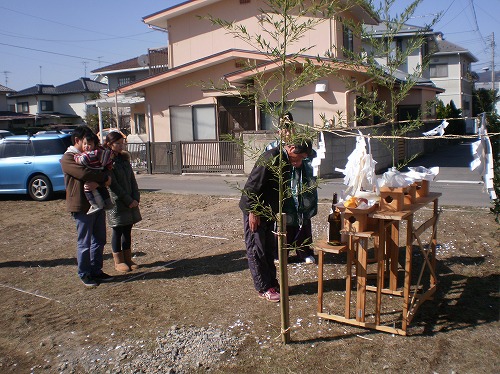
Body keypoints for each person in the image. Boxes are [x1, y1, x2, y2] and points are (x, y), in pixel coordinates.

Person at [239, 139, 313, 302]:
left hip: (268, 211)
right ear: (291, 148)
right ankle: (264, 288)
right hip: (256, 210)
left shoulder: (286, 161)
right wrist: (253, 211)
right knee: (256, 248)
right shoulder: (271, 158)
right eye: (299, 156)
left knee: (269, 249)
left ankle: (272, 282)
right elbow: (252, 185)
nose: (299, 161)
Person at [60, 125, 113, 288]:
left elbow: (106, 170)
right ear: (77, 140)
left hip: (97, 203)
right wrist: (103, 177)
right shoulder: (68, 158)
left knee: (99, 238)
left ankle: (96, 270)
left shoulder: (89, 156)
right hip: (81, 205)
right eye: (86, 142)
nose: (90, 146)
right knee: (85, 241)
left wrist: (102, 179)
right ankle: (84, 273)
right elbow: (84, 173)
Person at [266, 112, 318, 264]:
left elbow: (313, 160)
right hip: (284, 192)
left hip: (301, 191)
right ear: (278, 129)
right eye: (284, 128)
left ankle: (305, 251)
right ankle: (280, 254)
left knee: (303, 221)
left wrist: (303, 163)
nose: (287, 131)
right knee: (283, 222)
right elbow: (267, 169)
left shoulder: (302, 144)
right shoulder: (273, 147)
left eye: (289, 127)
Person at [104, 131, 142, 273]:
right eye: (118, 143)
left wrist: (135, 197)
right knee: (118, 230)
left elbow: (132, 180)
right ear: (109, 144)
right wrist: (128, 199)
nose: (121, 146)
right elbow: (113, 185)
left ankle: (128, 258)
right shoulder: (107, 162)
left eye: (122, 143)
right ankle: (118, 261)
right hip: (117, 202)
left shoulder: (124, 159)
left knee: (128, 230)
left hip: (130, 200)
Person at [73, 132, 114, 215]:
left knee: (87, 189)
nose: (86, 146)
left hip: (93, 172)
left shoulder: (88, 154)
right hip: (100, 171)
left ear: (94, 145)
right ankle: (108, 202)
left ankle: (95, 204)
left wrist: (76, 157)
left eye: (89, 144)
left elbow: (82, 161)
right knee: (102, 190)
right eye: (84, 144)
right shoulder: (101, 152)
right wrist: (104, 179)